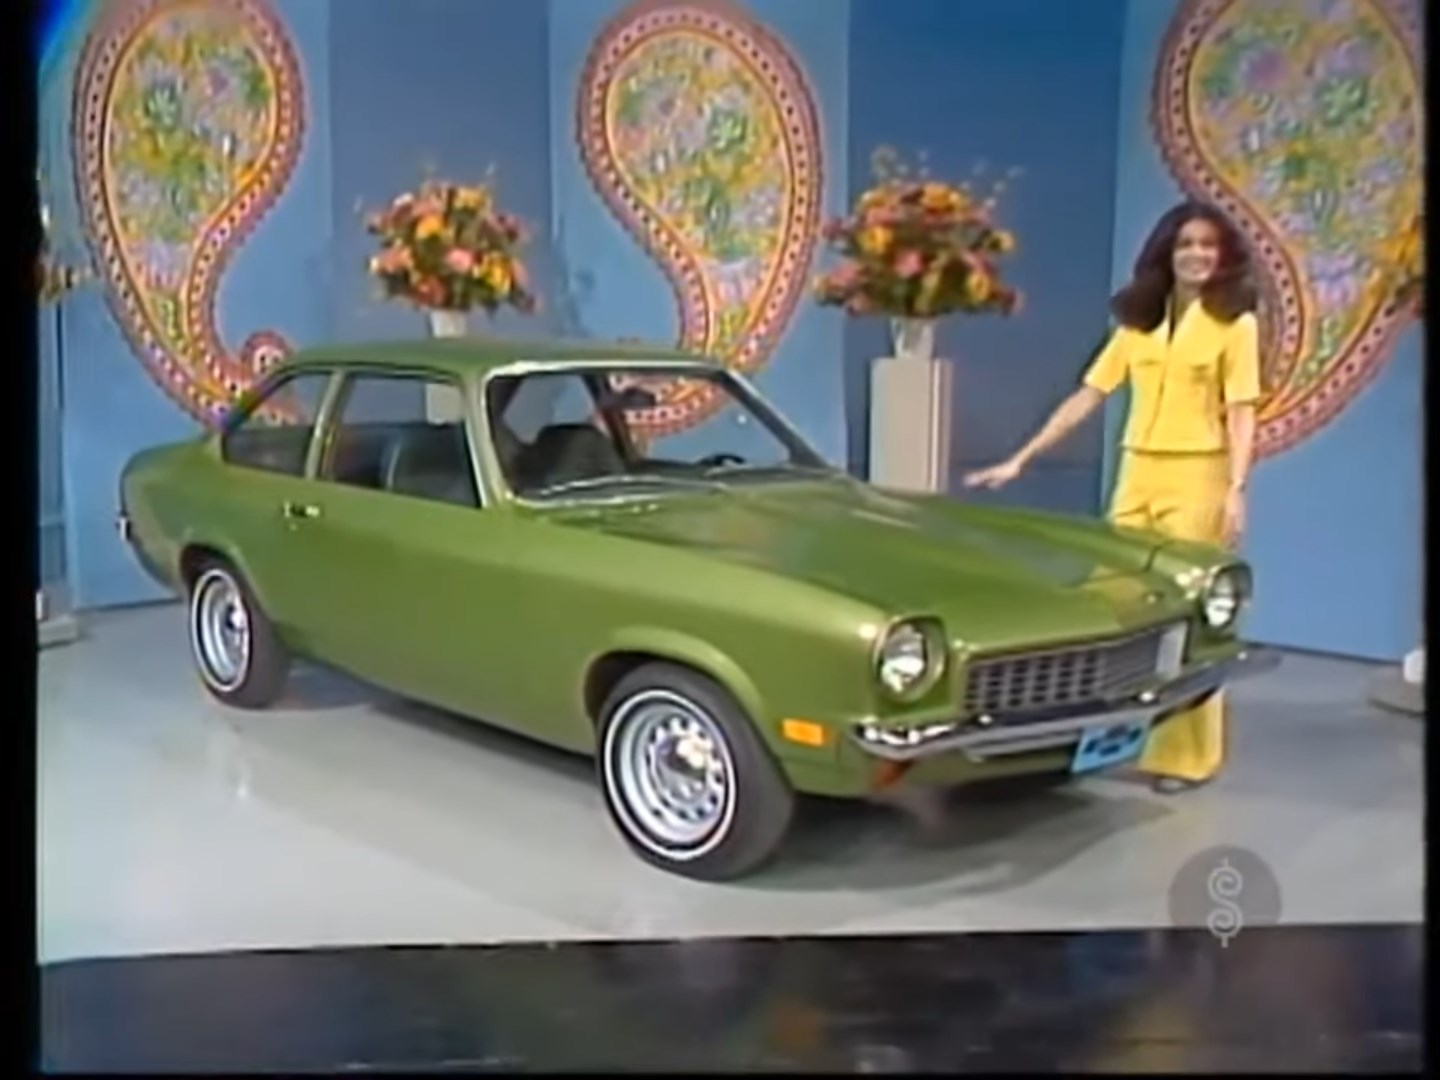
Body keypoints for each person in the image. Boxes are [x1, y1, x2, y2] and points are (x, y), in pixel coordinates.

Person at [963, 200, 1261, 794]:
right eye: (1186, 244)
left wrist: (1235, 489)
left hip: (1197, 473)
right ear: (1166, 254)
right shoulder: (1138, 324)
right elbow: (1090, 394)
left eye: (1207, 245)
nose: (1196, 255)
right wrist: (1021, 457)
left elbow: (1241, 411)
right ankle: (1114, 740)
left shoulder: (1236, 325)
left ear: (1223, 256)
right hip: (1137, 470)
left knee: (1184, 614)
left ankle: (1187, 757)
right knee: (1120, 608)